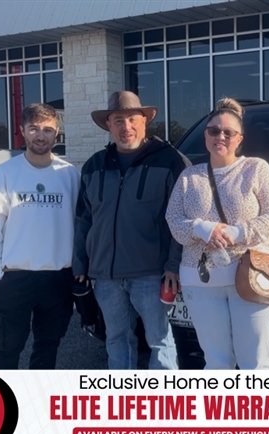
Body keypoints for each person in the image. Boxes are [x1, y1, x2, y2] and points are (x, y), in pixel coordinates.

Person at [165, 97, 269, 370]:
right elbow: (173, 220)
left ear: (239, 139)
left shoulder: (256, 169)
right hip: (200, 282)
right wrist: (203, 229)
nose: (220, 136)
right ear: (205, 135)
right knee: (216, 362)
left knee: (255, 362)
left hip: (252, 278)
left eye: (228, 132)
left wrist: (235, 232)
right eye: (214, 130)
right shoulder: (189, 177)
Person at [73, 91, 190, 370]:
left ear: (144, 121)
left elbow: (182, 218)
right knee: (116, 340)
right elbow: (84, 219)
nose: (126, 127)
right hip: (105, 276)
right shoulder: (94, 166)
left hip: (151, 274)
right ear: (108, 125)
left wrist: (174, 264)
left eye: (132, 119)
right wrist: (80, 264)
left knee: (159, 341)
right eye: (118, 120)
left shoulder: (170, 161)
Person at [0, 103, 80, 369]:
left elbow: (81, 226)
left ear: (57, 133)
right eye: (34, 129)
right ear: (22, 131)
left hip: (58, 278)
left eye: (47, 130)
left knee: (48, 348)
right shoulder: (5, 174)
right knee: (5, 350)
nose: (40, 136)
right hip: (14, 278)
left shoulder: (69, 175)